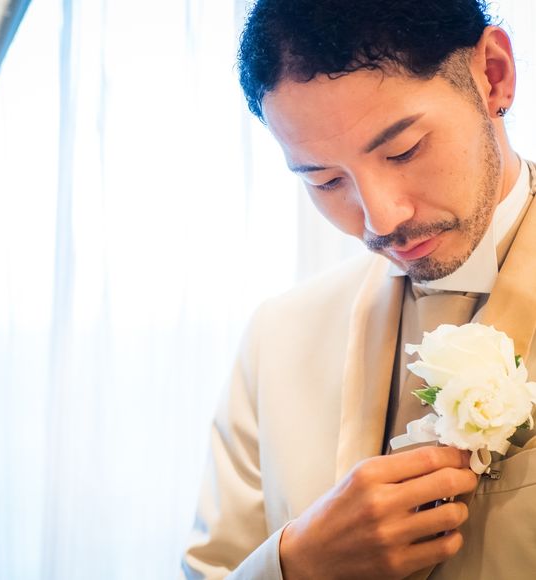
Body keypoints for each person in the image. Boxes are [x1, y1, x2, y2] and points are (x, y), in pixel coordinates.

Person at [182, 1, 536, 578]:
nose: (380, 218)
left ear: (494, 75)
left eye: (403, 150)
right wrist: (294, 565)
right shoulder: (278, 337)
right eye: (325, 181)